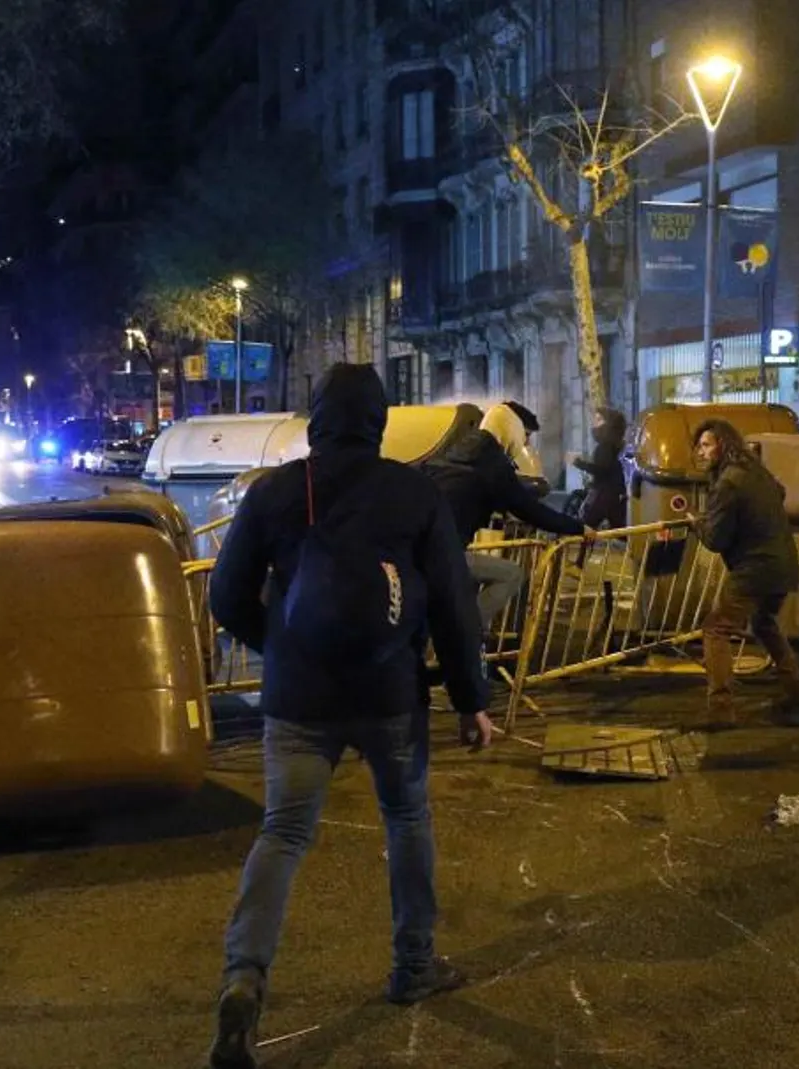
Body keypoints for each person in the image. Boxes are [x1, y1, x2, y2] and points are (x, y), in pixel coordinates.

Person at [204, 364, 492, 1069]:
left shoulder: (275, 491)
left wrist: (280, 645)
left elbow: (225, 594)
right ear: (380, 420)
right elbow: (454, 603)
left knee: (283, 832)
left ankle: (244, 978)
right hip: (390, 691)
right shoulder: (412, 491)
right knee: (406, 817)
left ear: (315, 417)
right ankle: (414, 964)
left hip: (299, 698)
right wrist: (471, 699)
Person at [423, 411, 590, 628]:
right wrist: (577, 527)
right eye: (525, 435)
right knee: (511, 574)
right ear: (511, 429)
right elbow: (529, 510)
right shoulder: (494, 464)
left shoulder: (457, 451)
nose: (525, 442)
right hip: (443, 554)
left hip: (420, 548)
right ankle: (464, 633)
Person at [691, 419, 799, 727]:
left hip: (755, 567)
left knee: (715, 629)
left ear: (722, 445)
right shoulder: (756, 471)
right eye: (699, 446)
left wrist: (697, 523)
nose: (700, 452)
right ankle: (796, 692)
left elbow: (715, 539)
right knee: (765, 623)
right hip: (782, 562)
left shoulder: (729, 482)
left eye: (706, 445)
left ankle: (720, 709)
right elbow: (779, 494)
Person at [574, 407, 629, 530]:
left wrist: (578, 463)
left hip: (603, 493)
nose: (594, 422)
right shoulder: (615, 443)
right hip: (614, 493)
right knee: (619, 529)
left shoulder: (605, 445)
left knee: (583, 527)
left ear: (609, 424)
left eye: (599, 419)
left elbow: (601, 470)